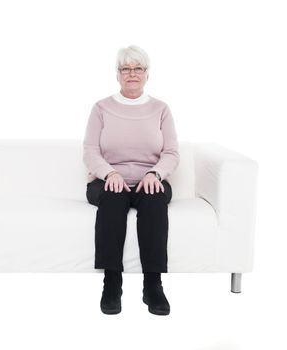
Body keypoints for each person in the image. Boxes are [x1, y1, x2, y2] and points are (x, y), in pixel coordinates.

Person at [83, 45, 180, 315]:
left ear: (147, 74)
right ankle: (111, 284)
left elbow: (171, 153)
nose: (132, 73)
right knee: (113, 198)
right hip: (107, 180)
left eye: (138, 68)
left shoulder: (161, 109)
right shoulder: (101, 108)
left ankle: (153, 286)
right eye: (126, 68)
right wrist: (109, 173)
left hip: (149, 178)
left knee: (154, 199)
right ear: (117, 74)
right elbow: (90, 151)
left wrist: (155, 173)